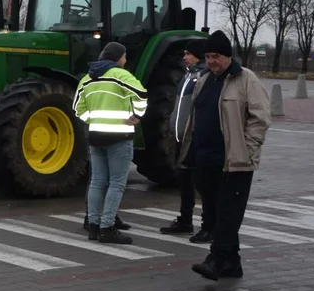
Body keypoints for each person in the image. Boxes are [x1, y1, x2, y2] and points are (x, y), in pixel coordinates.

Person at [177, 30, 271, 280]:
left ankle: (216, 259)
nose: (211, 61)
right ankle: (233, 263)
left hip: (234, 162)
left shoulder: (245, 79)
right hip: (206, 160)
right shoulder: (206, 80)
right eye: (207, 56)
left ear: (227, 55)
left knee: (229, 212)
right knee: (220, 213)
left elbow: (260, 119)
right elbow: (196, 117)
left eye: (216, 56)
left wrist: (247, 149)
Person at [73, 41, 147, 244]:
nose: (125, 60)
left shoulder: (88, 78)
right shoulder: (120, 75)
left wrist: (93, 120)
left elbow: (77, 107)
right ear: (118, 58)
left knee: (97, 181)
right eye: (124, 56)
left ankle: (94, 226)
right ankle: (108, 228)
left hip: (96, 136)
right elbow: (141, 94)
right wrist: (137, 116)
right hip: (119, 137)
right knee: (116, 183)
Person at [160, 40, 211, 237]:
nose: (184, 57)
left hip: (193, 138)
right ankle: (185, 219)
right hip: (180, 137)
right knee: (184, 180)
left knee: (200, 182)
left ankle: (207, 224)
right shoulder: (188, 75)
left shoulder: (203, 76)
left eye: (188, 53)